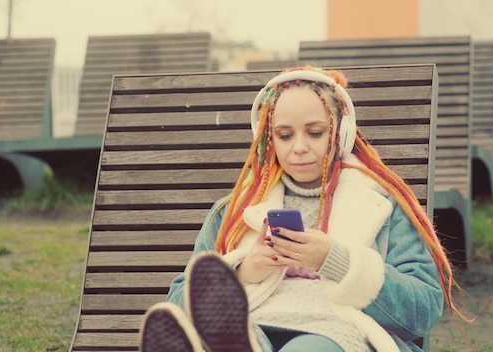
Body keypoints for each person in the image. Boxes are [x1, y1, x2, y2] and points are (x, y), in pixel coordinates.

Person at [139, 66, 471, 352]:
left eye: (315, 132)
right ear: (268, 139)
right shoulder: (237, 210)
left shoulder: (382, 206)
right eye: (284, 136)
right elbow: (179, 300)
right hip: (256, 326)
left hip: (336, 333)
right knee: (244, 336)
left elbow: (423, 309)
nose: (299, 147)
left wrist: (338, 262)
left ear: (341, 134)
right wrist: (242, 273)